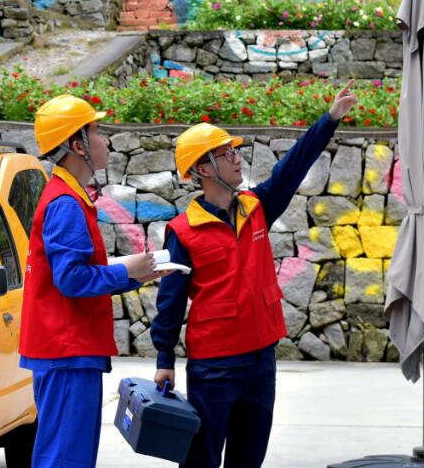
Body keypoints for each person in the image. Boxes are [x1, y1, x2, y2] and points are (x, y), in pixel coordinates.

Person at [150, 81, 359, 468]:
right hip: (213, 366)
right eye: (227, 154)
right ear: (203, 169)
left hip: (261, 360)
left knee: (249, 460)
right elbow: (171, 299)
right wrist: (165, 357)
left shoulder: (257, 207)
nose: (237, 159)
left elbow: (293, 166)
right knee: (202, 460)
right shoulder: (183, 230)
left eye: (234, 152)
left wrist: (329, 121)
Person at [19, 94, 165, 468]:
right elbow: (71, 279)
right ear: (77, 144)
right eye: (98, 131)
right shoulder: (66, 202)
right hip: (66, 349)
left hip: (67, 350)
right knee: (65, 459)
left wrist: (136, 275)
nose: (107, 140)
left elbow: (76, 274)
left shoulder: (69, 197)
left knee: (68, 455)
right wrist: (127, 270)